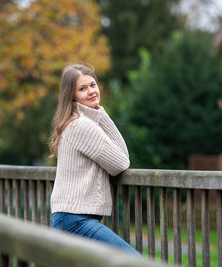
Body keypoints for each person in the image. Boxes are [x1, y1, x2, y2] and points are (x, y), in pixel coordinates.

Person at [48, 64, 140, 256]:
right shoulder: (81, 126)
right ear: (71, 95)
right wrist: (102, 115)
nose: (91, 91)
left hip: (69, 218)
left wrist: (99, 114)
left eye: (93, 85)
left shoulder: (73, 122)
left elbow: (121, 157)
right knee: (133, 260)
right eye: (82, 89)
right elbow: (121, 163)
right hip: (75, 220)